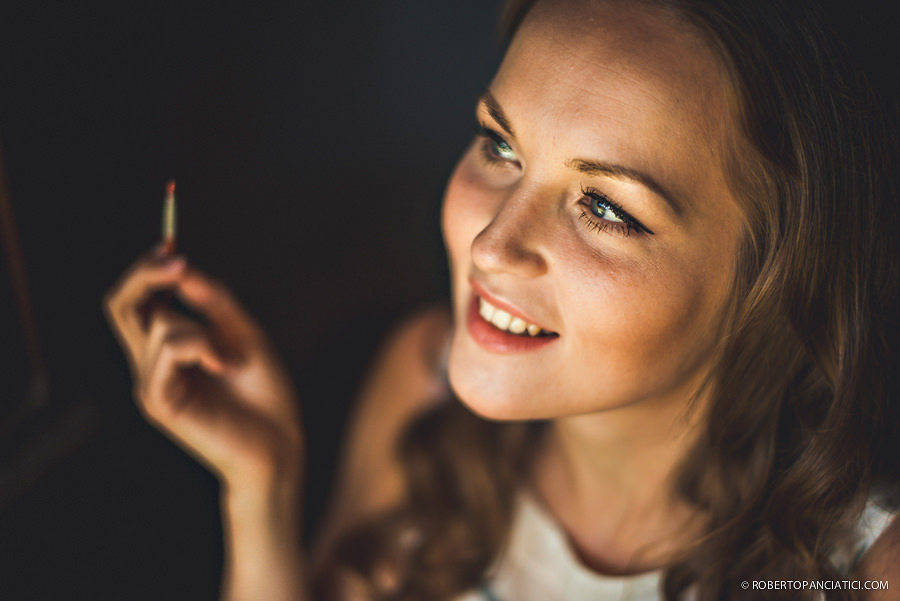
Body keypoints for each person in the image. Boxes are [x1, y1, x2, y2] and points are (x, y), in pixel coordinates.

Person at [104, 0, 900, 599]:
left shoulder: (866, 568)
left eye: (607, 208)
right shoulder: (419, 380)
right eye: (500, 145)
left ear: (777, 280)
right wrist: (262, 489)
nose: (492, 245)